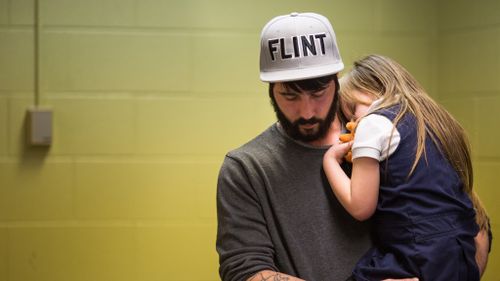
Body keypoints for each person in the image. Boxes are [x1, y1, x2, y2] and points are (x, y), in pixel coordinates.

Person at [216, 12, 491, 281]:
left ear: (336, 80)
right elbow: (244, 271)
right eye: (290, 96)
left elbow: (472, 225)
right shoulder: (246, 167)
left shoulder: (384, 131)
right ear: (270, 90)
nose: (308, 111)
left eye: (318, 93)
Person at [323, 54, 491, 280]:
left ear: (374, 88)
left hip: (417, 252)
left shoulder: (373, 122)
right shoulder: (435, 121)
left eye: (352, 109)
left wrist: (330, 161)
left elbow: (361, 206)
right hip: (460, 251)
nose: (353, 120)